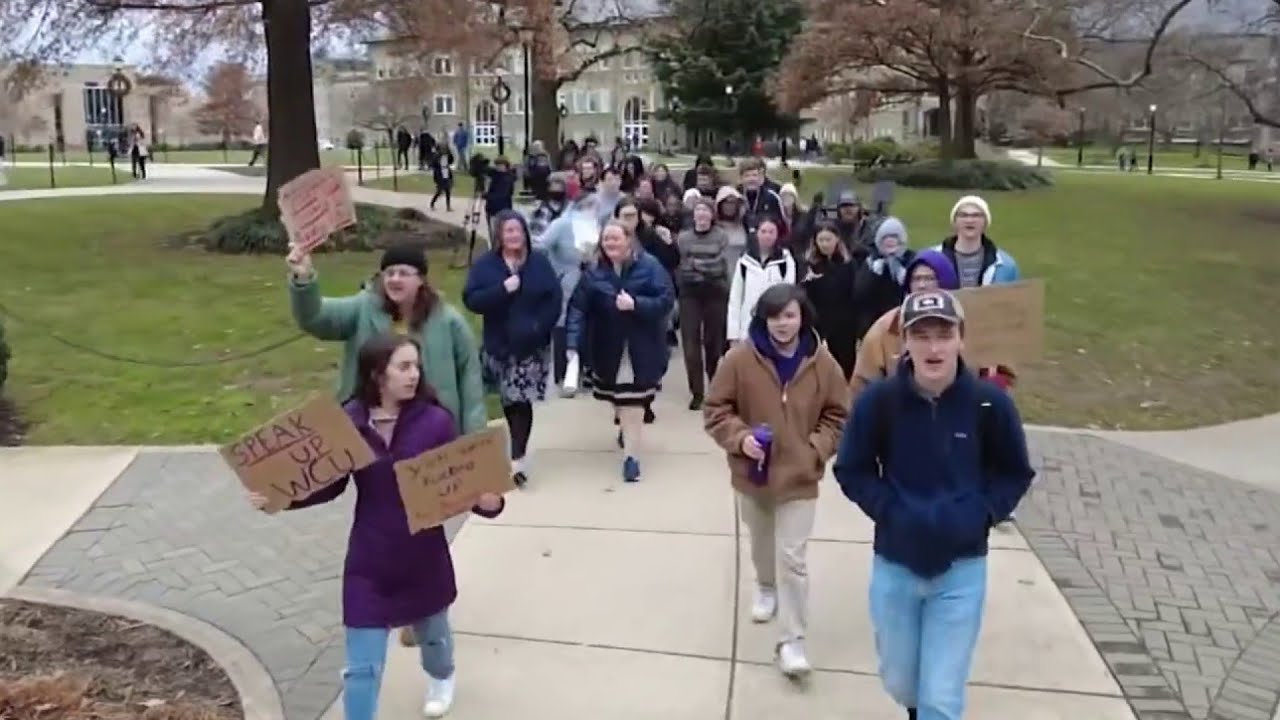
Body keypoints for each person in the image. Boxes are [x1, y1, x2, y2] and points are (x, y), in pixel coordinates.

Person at [247, 333, 505, 720]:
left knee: (434, 639)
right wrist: (281, 498)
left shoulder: (435, 421)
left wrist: (489, 502)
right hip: (369, 560)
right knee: (361, 668)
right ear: (376, 373)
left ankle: (442, 678)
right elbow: (329, 483)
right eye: (403, 366)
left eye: (416, 366)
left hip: (423, 557)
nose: (414, 374)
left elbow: (458, 483)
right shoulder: (348, 422)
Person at [832, 289, 1035, 720]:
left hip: (961, 571)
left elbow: (1015, 473)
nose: (933, 347)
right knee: (903, 682)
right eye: (921, 335)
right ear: (904, 342)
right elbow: (852, 469)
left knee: (941, 699)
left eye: (944, 334)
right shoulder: (879, 402)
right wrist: (890, 510)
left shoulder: (989, 404)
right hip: (896, 564)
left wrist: (980, 513)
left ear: (961, 339)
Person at [703, 283, 849, 678]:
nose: (782, 324)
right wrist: (740, 438)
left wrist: (814, 448)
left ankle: (793, 641)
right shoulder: (738, 360)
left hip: (800, 478)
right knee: (762, 543)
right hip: (752, 477)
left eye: (789, 315)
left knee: (793, 558)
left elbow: (839, 414)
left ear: (802, 318)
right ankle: (765, 586)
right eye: (774, 316)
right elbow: (715, 409)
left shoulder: (822, 363)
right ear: (762, 318)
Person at [287, 243, 488, 435]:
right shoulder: (363, 307)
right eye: (389, 273)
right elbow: (315, 318)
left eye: (403, 273)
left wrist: (474, 435)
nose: (395, 279)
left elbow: (470, 380)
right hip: (370, 424)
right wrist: (303, 277)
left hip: (428, 428)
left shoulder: (449, 321)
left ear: (421, 280)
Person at [566, 220, 675, 482]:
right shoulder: (594, 272)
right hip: (607, 345)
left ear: (629, 240)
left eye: (616, 238)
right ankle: (626, 429)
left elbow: (666, 299)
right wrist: (572, 345)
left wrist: (636, 304)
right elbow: (578, 308)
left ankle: (631, 458)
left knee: (633, 400)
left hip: (642, 344)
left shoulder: (650, 266)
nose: (611, 243)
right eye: (606, 239)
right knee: (619, 399)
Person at [463, 211, 562, 488]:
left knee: (521, 399)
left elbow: (554, 299)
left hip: (530, 346)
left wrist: (538, 327)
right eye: (508, 231)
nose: (514, 236)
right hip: (500, 345)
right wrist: (502, 289)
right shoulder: (486, 266)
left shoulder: (538, 263)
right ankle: (516, 451)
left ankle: (518, 457)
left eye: (518, 230)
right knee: (509, 399)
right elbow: (472, 299)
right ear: (499, 236)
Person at [928, 195, 1020, 391]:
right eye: (963, 215)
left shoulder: (1005, 265)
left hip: (985, 345)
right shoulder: (932, 258)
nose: (970, 220)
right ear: (955, 221)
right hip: (943, 335)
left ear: (985, 222)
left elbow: (1012, 314)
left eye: (977, 215)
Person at [849, 251, 958, 403]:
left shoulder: (968, 323)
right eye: (916, 279)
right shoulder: (885, 329)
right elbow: (861, 387)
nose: (922, 285)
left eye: (930, 278)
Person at [675, 197, 731, 410]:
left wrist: (697, 265)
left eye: (705, 210)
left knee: (713, 343)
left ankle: (715, 387)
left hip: (715, 293)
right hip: (690, 294)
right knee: (690, 344)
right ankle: (696, 392)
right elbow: (683, 267)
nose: (701, 214)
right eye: (698, 210)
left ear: (712, 215)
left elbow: (720, 267)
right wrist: (704, 267)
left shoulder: (721, 236)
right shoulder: (684, 238)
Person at [800, 222, 858, 379]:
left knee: (844, 367)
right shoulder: (810, 267)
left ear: (837, 240)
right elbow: (805, 297)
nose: (825, 244)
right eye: (821, 240)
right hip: (819, 324)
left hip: (844, 327)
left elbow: (853, 294)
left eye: (828, 239)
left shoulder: (848, 265)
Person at [727, 217, 796, 345]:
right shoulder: (744, 261)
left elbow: (789, 294)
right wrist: (733, 335)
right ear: (756, 233)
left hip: (775, 326)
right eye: (763, 231)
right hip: (747, 327)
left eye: (771, 232)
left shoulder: (785, 260)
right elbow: (735, 298)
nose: (767, 236)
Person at [854, 216, 915, 343]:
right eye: (886, 237)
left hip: (904, 323)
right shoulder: (871, 262)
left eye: (895, 237)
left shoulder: (911, 261)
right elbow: (859, 294)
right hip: (874, 325)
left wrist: (905, 277)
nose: (890, 241)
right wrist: (874, 274)